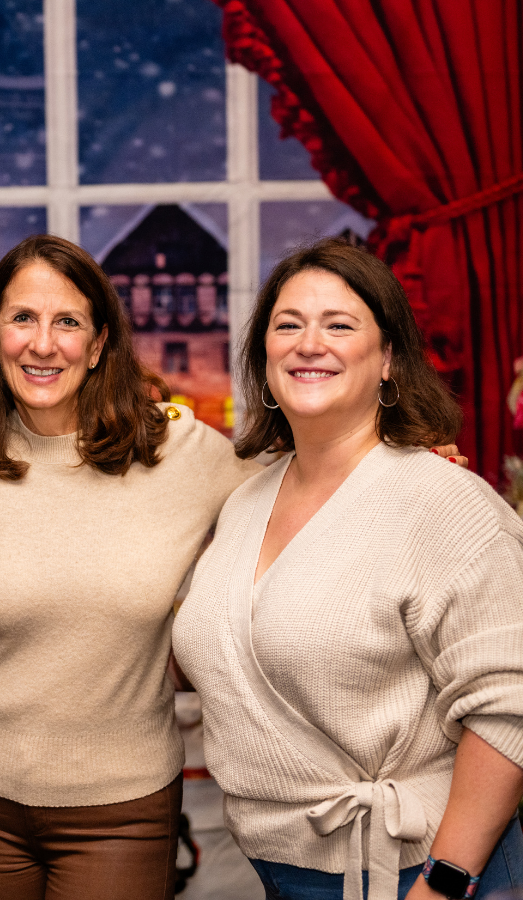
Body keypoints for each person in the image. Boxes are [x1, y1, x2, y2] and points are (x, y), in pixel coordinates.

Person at [172, 238, 523, 900]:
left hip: (424, 873)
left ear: (388, 358)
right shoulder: (246, 500)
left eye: (339, 325)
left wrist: (445, 882)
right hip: (283, 873)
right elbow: (223, 654)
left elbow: (510, 708)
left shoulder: (442, 499)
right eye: (288, 325)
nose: (310, 344)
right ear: (265, 356)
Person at [0, 234, 263, 900]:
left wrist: (400, 463)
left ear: (99, 344)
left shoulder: (177, 450)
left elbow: (301, 494)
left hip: (125, 807)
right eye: (22, 319)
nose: (43, 344)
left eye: (67, 322)